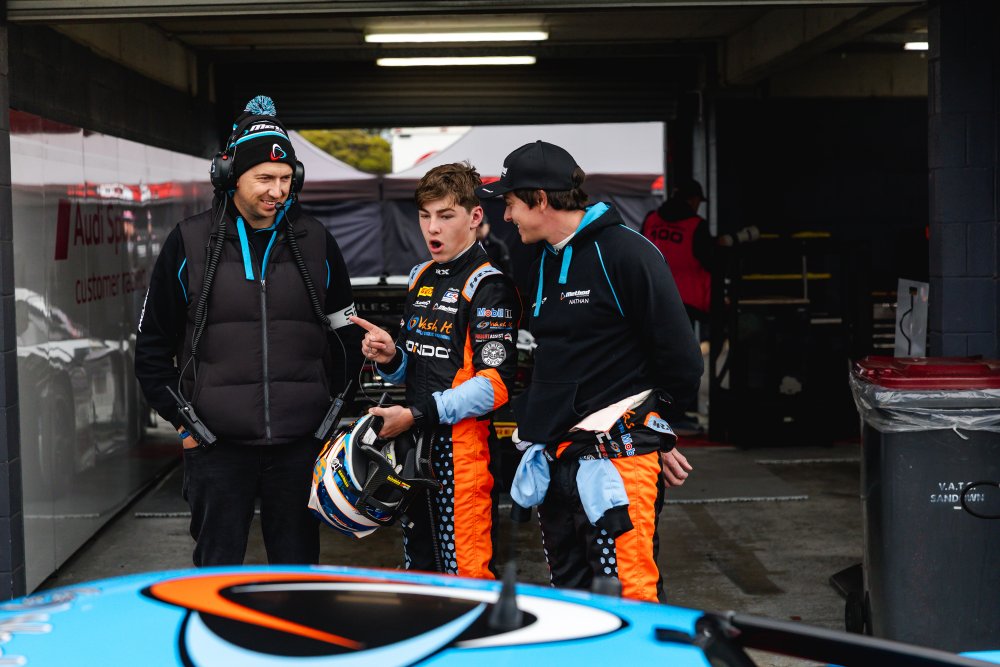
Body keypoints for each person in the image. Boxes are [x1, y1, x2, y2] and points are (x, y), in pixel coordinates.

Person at [135, 95, 363, 567]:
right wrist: (185, 424)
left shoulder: (317, 241)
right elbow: (152, 349)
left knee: (296, 578)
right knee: (215, 577)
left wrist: (329, 418)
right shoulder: (188, 242)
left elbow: (347, 338)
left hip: (300, 447)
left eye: (285, 178)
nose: (277, 191)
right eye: (264, 178)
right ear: (229, 175)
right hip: (216, 447)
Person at [476, 141, 703, 602]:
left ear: (541, 199)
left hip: (616, 464)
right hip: (555, 458)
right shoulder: (537, 257)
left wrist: (656, 429)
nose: (507, 216)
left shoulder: (627, 253)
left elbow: (681, 358)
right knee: (573, 605)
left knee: (628, 600)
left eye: (512, 203)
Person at [350, 162, 520, 579]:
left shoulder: (489, 286)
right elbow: (416, 369)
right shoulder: (420, 276)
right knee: (421, 573)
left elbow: (494, 386)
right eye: (425, 216)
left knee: (466, 577)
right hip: (414, 449)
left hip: (463, 454)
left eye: (445, 216)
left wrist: (417, 414)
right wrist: (391, 356)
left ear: (475, 216)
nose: (432, 228)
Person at [641, 179, 712, 434]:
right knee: (685, 362)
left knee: (653, 358)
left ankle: (654, 410)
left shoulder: (651, 220)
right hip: (687, 301)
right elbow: (711, 260)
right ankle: (679, 413)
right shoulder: (696, 225)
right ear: (692, 200)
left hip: (650, 299)